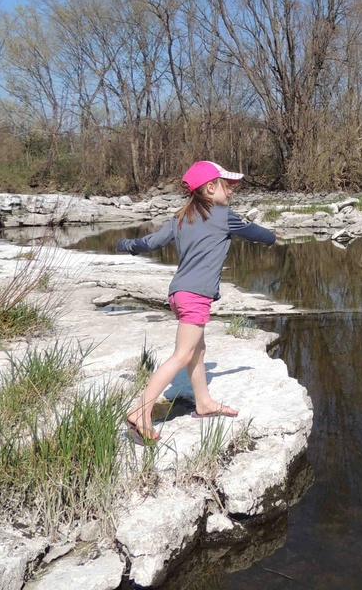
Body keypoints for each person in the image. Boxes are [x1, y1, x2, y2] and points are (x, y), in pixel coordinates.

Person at [117, 160, 276, 444]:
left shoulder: (181, 217)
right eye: (227, 187)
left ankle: (203, 403)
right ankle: (139, 411)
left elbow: (151, 243)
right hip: (195, 296)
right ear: (210, 187)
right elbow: (261, 236)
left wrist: (128, 245)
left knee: (198, 352)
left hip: (179, 293)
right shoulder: (224, 215)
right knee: (182, 355)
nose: (231, 193)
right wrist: (271, 236)